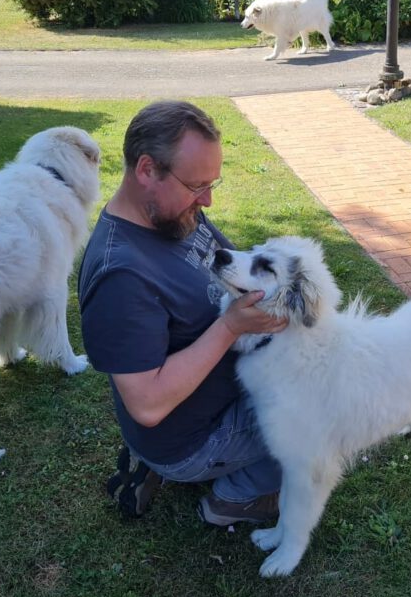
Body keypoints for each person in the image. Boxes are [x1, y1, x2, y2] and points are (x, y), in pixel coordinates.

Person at [78, 100, 288, 524]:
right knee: (332, 416)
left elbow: (237, 268)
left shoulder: (174, 217)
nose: (207, 200)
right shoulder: (120, 277)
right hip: (192, 438)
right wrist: (230, 327)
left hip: (213, 401)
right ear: (146, 170)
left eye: (213, 183)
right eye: (196, 186)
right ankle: (234, 498)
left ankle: (156, 460)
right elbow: (148, 405)